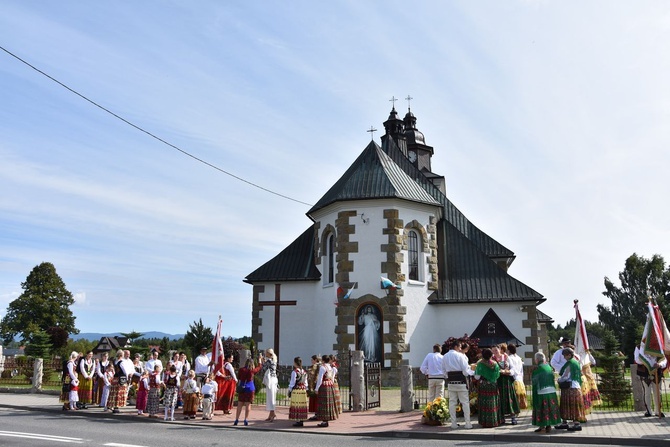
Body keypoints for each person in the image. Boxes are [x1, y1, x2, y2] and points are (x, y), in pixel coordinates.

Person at [442, 340, 474, 429]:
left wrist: (448, 377)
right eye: (460, 347)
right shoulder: (460, 356)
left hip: (451, 382)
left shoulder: (444, 356)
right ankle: (467, 424)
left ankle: (453, 423)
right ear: (456, 347)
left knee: (452, 403)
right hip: (461, 382)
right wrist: (473, 373)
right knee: (465, 402)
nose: (460, 349)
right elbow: (465, 370)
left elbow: (444, 371)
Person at [556, 348, 586, 431]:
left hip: (570, 388)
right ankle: (573, 423)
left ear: (569, 355)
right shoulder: (576, 362)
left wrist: (559, 380)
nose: (564, 357)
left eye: (565, 355)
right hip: (576, 387)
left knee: (567, 405)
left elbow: (566, 375)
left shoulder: (569, 364)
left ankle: (569, 423)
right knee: (574, 406)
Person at [634, 342, 667, 417]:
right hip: (645, 373)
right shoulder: (639, 348)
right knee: (647, 392)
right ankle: (648, 411)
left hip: (657, 372)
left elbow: (664, 359)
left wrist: (660, 364)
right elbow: (637, 360)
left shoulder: (658, 347)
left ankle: (658, 411)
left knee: (658, 392)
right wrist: (645, 361)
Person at [531, 352, 560, 433]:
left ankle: (542, 427)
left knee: (542, 409)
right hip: (551, 391)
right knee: (549, 409)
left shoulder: (537, 369)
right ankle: (548, 426)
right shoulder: (549, 367)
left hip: (541, 392)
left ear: (537, 359)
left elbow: (534, 382)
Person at [474, 348, 503, 428]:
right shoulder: (495, 364)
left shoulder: (480, 364)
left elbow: (477, 377)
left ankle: (485, 422)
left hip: (483, 385)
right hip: (493, 385)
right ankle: (494, 421)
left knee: (485, 403)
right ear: (491, 355)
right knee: (493, 402)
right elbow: (497, 375)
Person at [492, 344, 520, 425]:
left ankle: (513, 417)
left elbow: (513, 368)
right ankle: (501, 418)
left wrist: (508, 372)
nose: (495, 352)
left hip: (506, 380)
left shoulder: (506, 357)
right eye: (493, 351)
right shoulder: (492, 359)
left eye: (496, 350)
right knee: (499, 399)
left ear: (500, 349)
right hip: (498, 381)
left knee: (509, 397)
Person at [234, 357, 262, 426]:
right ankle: (246, 419)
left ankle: (236, 419)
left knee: (240, 404)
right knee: (248, 405)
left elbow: (239, 377)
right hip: (250, 388)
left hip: (242, 388)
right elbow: (259, 368)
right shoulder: (252, 371)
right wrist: (260, 360)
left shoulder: (241, 370)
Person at [315, 354, 339, 427]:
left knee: (324, 403)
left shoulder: (323, 367)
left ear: (323, 360)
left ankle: (324, 421)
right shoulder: (331, 367)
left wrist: (317, 388)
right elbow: (332, 377)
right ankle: (327, 419)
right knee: (329, 403)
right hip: (330, 385)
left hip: (324, 386)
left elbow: (320, 379)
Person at [288, 356, 309, 426]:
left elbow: (292, 382)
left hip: (297, 390)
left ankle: (298, 420)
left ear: (295, 362)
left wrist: (290, 390)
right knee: (302, 405)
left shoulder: (294, 372)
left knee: (297, 405)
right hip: (303, 390)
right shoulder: (304, 372)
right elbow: (306, 383)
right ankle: (301, 419)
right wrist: (306, 389)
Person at [507, 344, 527, 410]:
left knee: (514, 396)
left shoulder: (509, 358)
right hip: (520, 378)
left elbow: (512, 368)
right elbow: (521, 370)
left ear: (509, 350)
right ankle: (519, 408)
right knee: (520, 395)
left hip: (514, 378)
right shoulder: (519, 358)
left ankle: (515, 409)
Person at [261, 348, 279, 422]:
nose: (265, 354)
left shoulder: (269, 360)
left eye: (266, 353)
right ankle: (271, 414)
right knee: (272, 396)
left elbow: (263, 369)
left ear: (269, 353)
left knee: (270, 397)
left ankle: (272, 413)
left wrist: (262, 362)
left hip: (270, 379)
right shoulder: (274, 360)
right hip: (274, 379)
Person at [307, 355, 321, 420]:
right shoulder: (321, 366)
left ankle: (317, 414)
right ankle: (318, 413)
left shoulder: (315, 366)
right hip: (318, 385)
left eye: (312, 360)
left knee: (316, 400)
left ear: (315, 360)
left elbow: (312, 375)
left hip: (315, 384)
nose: (311, 361)